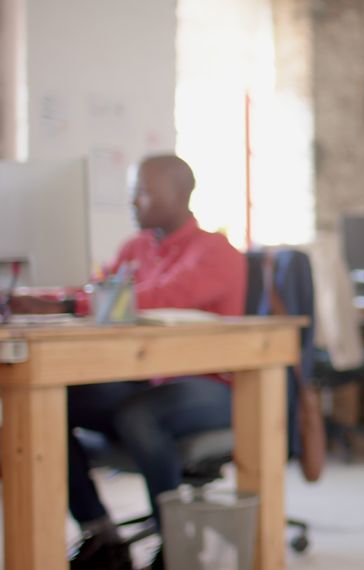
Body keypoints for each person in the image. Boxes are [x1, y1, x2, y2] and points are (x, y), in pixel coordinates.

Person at [12, 155, 246, 570]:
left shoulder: (217, 252)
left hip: (213, 387)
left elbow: (159, 298)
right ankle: (101, 534)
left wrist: (72, 303)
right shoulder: (135, 248)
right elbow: (100, 291)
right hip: (149, 381)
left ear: (180, 195)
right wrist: (45, 299)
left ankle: (175, 545)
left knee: (139, 414)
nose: (132, 202)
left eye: (142, 191)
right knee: (49, 403)